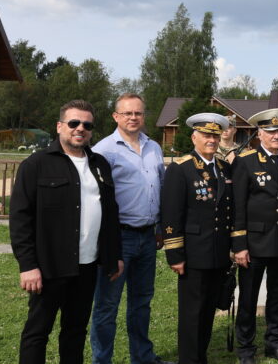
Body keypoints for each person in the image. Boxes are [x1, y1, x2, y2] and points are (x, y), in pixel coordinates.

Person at [10, 99, 123, 364]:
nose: (80, 128)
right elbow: (20, 218)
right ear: (60, 126)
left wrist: (114, 254)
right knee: (38, 331)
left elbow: (111, 214)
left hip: (87, 266)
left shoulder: (100, 164)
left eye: (87, 125)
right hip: (49, 266)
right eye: (73, 123)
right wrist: (28, 265)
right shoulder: (36, 164)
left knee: (75, 330)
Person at [90, 93, 171, 364]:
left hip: (148, 236)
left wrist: (159, 226)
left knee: (142, 302)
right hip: (119, 238)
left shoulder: (153, 147)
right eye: (127, 113)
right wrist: (108, 244)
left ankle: (142, 357)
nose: (133, 118)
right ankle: (102, 360)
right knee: (107, 305)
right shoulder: (104, 150)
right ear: (116, 116)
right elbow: (97, 198)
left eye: (138, 113)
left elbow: (160, 187)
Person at [161, 112, 235, 364]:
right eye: (205, 135)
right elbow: (171, 214)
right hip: (193, 254)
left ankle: (200, 356)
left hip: (218, 253)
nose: (211, 140)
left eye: (215, 135)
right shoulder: (181, 169)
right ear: (194, 137)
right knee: (192, 313)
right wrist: (175, 254)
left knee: (208, 311)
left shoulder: (223, 168)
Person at [232, 108, 278, 364]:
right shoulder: (246, 161)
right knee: (248, 299)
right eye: (270, 131)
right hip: (254, 244)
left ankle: (274, 344)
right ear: (259, 134)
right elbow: (238, 206)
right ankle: (246, 349)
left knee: (277, 297)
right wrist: (239, 245)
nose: (276, 135)